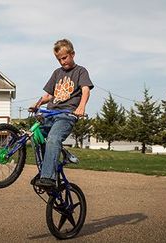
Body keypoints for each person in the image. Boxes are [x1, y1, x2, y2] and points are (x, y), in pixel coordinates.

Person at [30, 39, 94, 188]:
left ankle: (48, 177)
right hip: (51, 114)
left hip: (67, 115)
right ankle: (45, 170)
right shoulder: (56, 73)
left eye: (64, 58)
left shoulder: (80, 71)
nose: (62, 62)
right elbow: (49, 95)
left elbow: (85, 90)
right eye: (59, 59)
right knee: (35, 134)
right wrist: (38, 103)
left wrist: (81, 107)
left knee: (53, 137)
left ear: (72, 54)